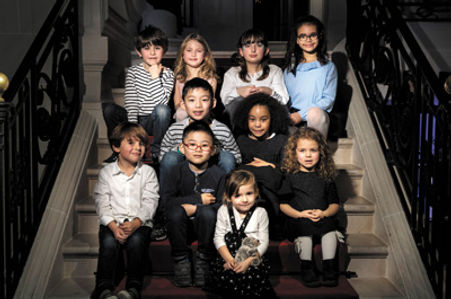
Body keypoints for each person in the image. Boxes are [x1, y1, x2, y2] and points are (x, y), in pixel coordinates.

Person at [92, 122, 159, 299]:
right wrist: (114, 226)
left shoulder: (148, 172)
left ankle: (133, 288)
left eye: (141, 144)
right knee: (108, 244)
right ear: (116, 147)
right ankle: (104, 287)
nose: (138, 148)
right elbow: (102, 202)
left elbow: (150, 201)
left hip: (140, 222)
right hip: (113, 221)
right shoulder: (106, 172)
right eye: (131, 143)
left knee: (137, 243)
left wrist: (136, 223)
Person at [161, 121, 226, 287]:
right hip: (181, 228)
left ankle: (204, 259)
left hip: (207, 227)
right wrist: (197, 201)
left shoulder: (219, 174)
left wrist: (198, 209)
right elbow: (166, 203)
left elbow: (222, 205)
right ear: (182, 148)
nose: (198, 149)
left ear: (212, 150)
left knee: (208, 212)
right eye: (192, 145)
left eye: (204, 145)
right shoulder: (176, 171)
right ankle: (181, 259)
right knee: (175, 212)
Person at [279, 127, 341, 287]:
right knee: (303, 229)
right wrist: (300, 215)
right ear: (294, 152)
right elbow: (283, 205)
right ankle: (306, 267)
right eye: (302, 150)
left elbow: (335, 204)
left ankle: (329, 267)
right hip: (299, 219)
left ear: (321, 152)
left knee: (330, 230)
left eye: (313, 150)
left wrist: (324, 213)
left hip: (322, 217)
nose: (308, 155)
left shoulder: (325, 176)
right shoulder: (290, 176)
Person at [102, 25, 174, 163]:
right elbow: (132, 102)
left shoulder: (168, 74)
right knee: (109, 108)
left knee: (163, 110)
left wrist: (155, 77)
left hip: (153, 121)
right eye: (147, 48)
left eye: (157, 48)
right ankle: (118, 151)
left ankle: (155, 152)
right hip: (135, 119)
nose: (152, 52)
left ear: (163, 51)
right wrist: (133, 132)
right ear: (139, 52)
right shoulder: (133, 72)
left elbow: (161, 102)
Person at [159, 77, 241, 184]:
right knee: (170, 157)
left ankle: (225, 196)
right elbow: (162, 156)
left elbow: (237, 157)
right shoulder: (175, 129)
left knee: (227, 158)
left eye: (204, 100)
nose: (198, 105)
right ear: (183, 104)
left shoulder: (222, 130)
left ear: (213, 103)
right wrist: (182, 150)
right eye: (192, 100)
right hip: (184, 175)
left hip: (212, 174)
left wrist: (214, 151)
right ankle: (167, 197)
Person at [233, 93, 289, 238]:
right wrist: (268, 169)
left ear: (272, 119)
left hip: (273, 203)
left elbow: (282, 177)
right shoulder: (241, 140)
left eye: (263, 119)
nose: (257, 124)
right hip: (245, 201)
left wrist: (270, 167)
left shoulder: (282, 140)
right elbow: (237, 175)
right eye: (252, 119)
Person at [209, 169, 273, 298]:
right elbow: (218, 237)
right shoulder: (224, 210)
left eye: (249, 193)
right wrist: (229, 260)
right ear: (228, 197)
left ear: (256, 193)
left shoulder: (261, 212)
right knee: (227, 276)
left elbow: (264, 242)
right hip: (229, 255)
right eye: (237, 195)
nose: (244, 199)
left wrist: (248, 262)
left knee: (250, 277)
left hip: (251, 256)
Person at [220, 28, 289, 126]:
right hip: (241, 122)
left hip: (268, 121)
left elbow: (283, 100)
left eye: (259, 45)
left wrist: (268, 92)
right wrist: (239, 92)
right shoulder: (232, 73)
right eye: (248, 45)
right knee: (236, 104)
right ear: (241, 51)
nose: (253, 49)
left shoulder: (274, 71)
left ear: (266, 51)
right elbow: (225, 102)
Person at [283, 15, 337, 137]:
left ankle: (318, 151)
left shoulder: (328, 67)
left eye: (312, 35)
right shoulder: (289, 69)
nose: (308, 39)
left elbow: (328, 100)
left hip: (317, 117)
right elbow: (284, 98)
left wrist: (301, 115)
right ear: (297, 40)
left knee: (315, 113)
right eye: (302, 36)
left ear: (319, 37)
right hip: (293, 117)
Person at [173, 33, 218, 121]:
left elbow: (209, 103)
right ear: (182, 54)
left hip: (204, 114)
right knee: (181, 113)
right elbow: (177, 103)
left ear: (205, 55)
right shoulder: (180, 78)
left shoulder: (211, 79)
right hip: (184, 114)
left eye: (198, 51)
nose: (193, 54)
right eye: (189, 50)